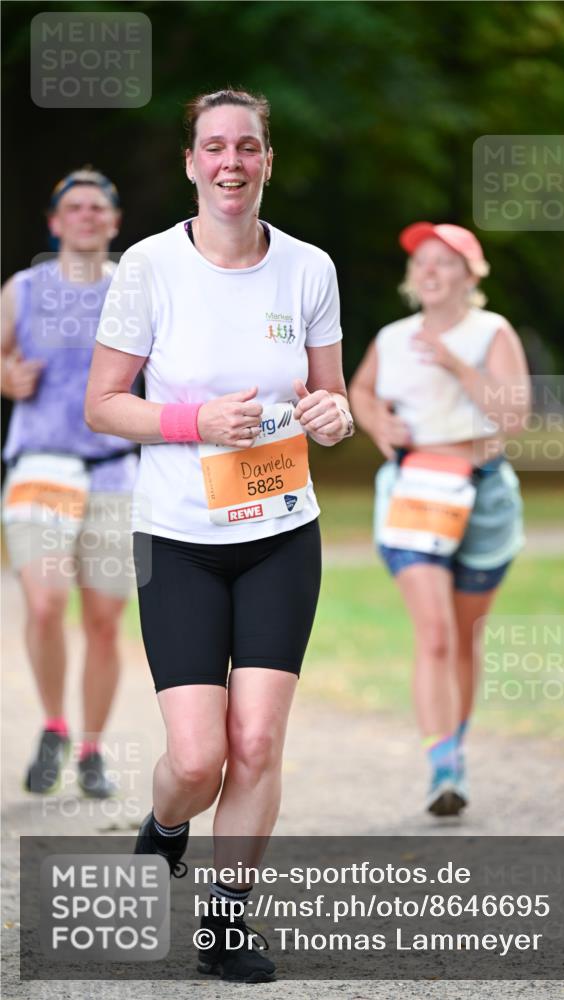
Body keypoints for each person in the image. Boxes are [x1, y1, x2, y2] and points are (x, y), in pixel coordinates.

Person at [85, 88, 353, 983]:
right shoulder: (151, 268)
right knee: (197, 761)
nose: (231, 162)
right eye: (214, 147)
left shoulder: (309, 268)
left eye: (248, 147)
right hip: (178, 536)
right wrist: (196, 421)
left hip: (281, 528)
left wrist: (331, 416)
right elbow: (105, 405)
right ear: (193, 162)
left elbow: (331, 399)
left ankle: (227, 925)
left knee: (258, 743)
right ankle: (166, 827)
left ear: (265, 160)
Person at [349, 222, 530, 818]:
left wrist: (456, 364)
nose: (428, 271)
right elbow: (362, 392)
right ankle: (442, 764)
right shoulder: (393, 336)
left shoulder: (490, 331)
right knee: (434, 633)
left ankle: (456, 744)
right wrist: (379, 423)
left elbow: (516, 414)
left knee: (463, 639)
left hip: (482, 493)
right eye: (421, 262)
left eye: (443, 262)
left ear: (469, 274)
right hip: (413, 492)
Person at [1, 168, 137, 799]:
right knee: (47, 602)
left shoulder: (135, 294)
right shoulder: (22, 289)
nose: (86, 216)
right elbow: (2, 358)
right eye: (74, 208)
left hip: (114, 472)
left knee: (106, 622)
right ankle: (54, 722)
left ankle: (91, 748)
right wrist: (6, 377)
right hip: (43, 467)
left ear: (113, 223)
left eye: (97, 208)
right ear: (55, 223)